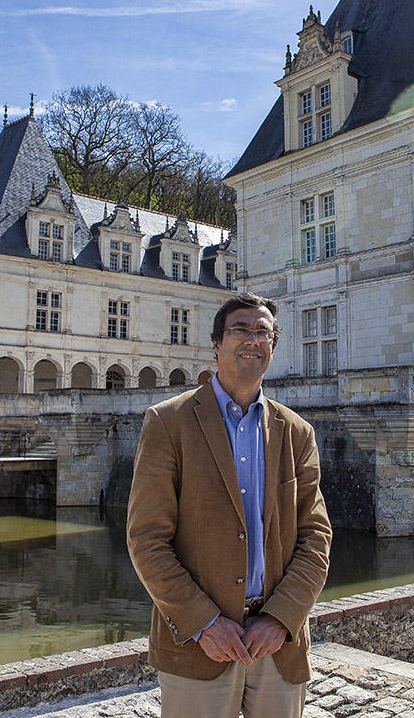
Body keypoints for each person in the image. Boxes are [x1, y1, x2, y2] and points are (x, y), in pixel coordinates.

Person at [127, 292, 332, 718]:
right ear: (216, 343)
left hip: (278, 643)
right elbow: (146, 540)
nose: (253, 340)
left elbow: (316, 537)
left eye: (263, 332)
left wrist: (280, 618)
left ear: (273, 347)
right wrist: (203, 622)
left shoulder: (297, 432)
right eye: (241, 329)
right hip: (199, 644)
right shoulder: (168, 422)